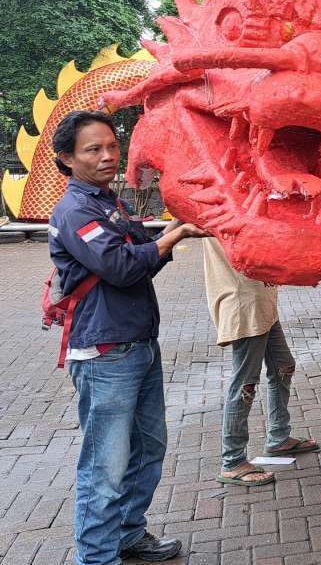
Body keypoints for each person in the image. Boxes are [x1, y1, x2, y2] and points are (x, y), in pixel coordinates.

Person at [48, 110, 207, 565]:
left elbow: (141, 258)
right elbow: (120, 267)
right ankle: (98, 556)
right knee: (106, 465)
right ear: (67, 158)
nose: (106, 157)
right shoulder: (76, 209)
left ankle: (127, 533)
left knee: (147, 448)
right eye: (92, 150)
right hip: (104, 355)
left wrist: (164, 238)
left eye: (111, 147)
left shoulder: (107, 202)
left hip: (137, 343)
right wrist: (171, 237)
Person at [203, 237, 318, 487]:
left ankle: (278, 437)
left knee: (283, 367)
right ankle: (232, 461)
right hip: (243, 301)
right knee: (245, 383)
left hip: (261, 297)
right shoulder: (222, 202)